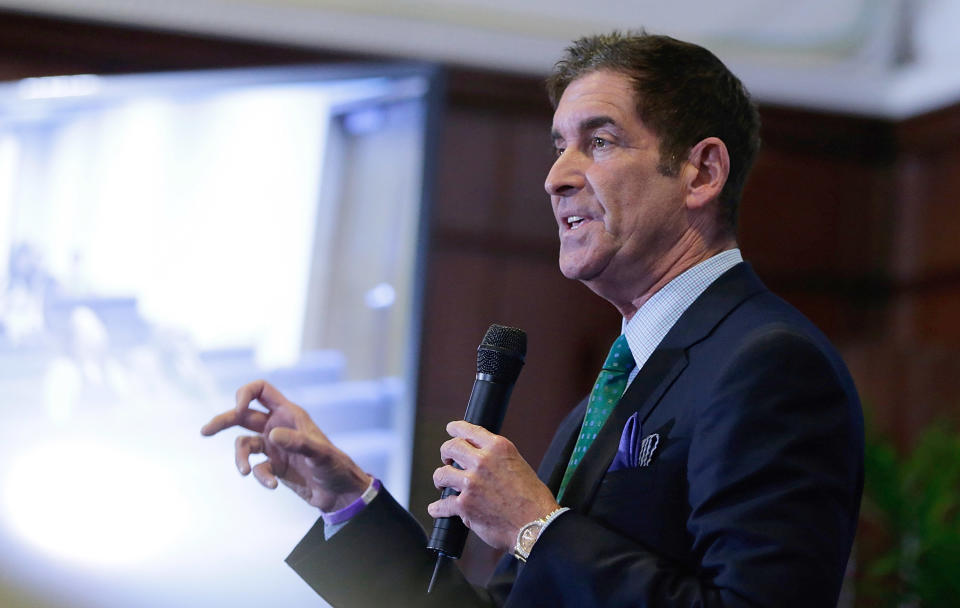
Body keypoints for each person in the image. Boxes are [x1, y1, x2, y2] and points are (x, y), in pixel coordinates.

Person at [202, 31, 863, 607]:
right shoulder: (603, 401)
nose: (556, 176)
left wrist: (535, 526)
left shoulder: (769, 365)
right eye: (558, 146)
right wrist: (347, 501)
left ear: (701, 172)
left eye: (598, 141)